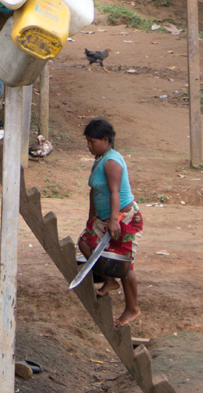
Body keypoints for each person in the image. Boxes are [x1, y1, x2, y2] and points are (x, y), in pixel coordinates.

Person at [77, 118, 143, 327]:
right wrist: (92, 219)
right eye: (87, 141)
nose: (89, 146)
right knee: (85, 243)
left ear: (106, 140)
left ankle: (132, 309)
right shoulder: (100, 158)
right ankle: (109, 280)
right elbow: (95, 192)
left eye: (92, 141)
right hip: (103, 219)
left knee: (124, 265)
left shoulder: (112, 161)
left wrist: (114, 220)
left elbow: (115, 192)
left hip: (124, 218)